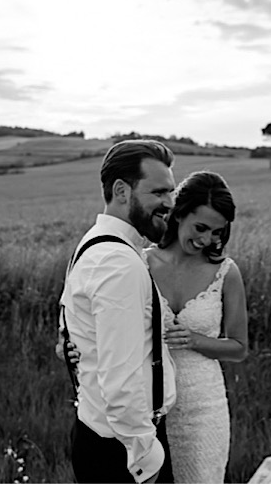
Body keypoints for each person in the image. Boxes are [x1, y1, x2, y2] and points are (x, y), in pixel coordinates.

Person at [58, 139, 178, 483]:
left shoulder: (94, 244)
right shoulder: (116, 262)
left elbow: (70, 327)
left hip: (107, 438)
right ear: (122, 191)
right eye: (158, 192)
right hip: (123, 450)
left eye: (171, 192)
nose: (169, 203)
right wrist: (145, 459)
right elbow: (121, 378)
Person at [147, 170, 248, 483]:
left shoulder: (226, 273)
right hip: (145, 407)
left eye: (217, 232)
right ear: (179, 213)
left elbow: (239, 348)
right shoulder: (139, 264)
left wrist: (194, 340)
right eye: (201, 227)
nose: (206, 240)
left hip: (203, 408)